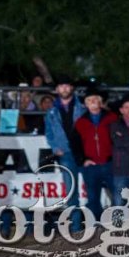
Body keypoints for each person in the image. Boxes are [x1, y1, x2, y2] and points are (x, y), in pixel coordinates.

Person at [43, 78, 85, 222]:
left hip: (85, 152)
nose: (65, 89)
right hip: (66, 153)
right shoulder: (51, 112)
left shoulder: (82, 107)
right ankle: (76, 227)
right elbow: (48, 132)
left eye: (67, 85)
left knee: (93, 188)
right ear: (57, 89)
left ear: (72, 88)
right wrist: (56, 148)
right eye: (62, 86)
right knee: (71, 191)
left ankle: (95, 224)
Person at [74, 89, 115, 220]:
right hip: (91, 166)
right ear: (85, 104)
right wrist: (83, 159)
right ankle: (95, 227)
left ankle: (118, 225)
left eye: (95, 99)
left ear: (101, 102)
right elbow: (75, 144)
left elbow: (118, 140)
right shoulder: (80, 122)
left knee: (118, 195)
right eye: (89, 100)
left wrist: (115, 158)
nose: (92, 102)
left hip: (110, 163)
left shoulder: (112, 118)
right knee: (92, 198)